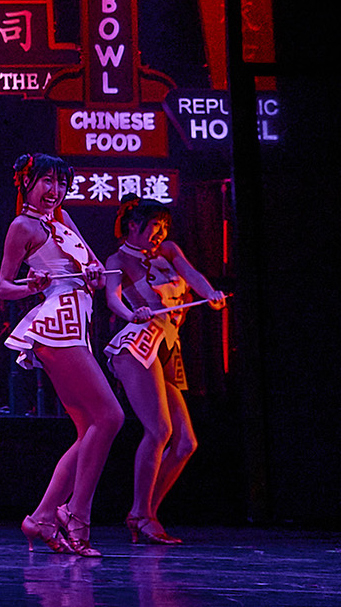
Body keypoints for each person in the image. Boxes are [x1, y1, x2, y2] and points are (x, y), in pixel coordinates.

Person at [0, 153, 122, 557]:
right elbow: (3, 287)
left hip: (76, 325)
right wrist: (32, 285)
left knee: (91, 429)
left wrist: (97, 276)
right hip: (57, 324)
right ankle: (76, 515)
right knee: (110, 416)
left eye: (61, 183)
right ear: (26, 183)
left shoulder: (64, 220)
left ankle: (44, 516)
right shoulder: (23, 226)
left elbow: (96, 270)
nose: (55, 191)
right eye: (46, 181)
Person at [104, 195, 226, 545]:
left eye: (163, 228)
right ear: (133, 226)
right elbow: (113, 298)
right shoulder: (118, 259)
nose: (160, 234)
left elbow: (193, 275)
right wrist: (131, 313)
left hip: (166, 346)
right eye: (154, 227)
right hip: (137, 346)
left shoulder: (169, 251)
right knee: (159, 431)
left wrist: (211, 293)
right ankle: (143, 514)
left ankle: (143, 513)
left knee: (185, 441)